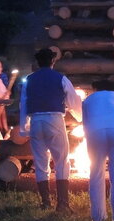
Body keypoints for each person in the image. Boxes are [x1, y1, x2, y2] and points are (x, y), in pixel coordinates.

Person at [19, 48, 82, 212]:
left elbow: (24, 104)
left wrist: (24, 127)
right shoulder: (61, 78)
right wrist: (80, 117)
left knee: (40, 162)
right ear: (53, 61)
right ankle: (62, 204)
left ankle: (45, 202)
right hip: (54, 120)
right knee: (61, 161)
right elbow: (73, 100)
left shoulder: (29, 80)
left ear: (38, 63)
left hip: (36, 121)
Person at [83, 79, 114, 221]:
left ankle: (98, 217)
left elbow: (85, 123)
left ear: (96, 88)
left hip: (94, 131)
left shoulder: (88, 99)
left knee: (96, 174)